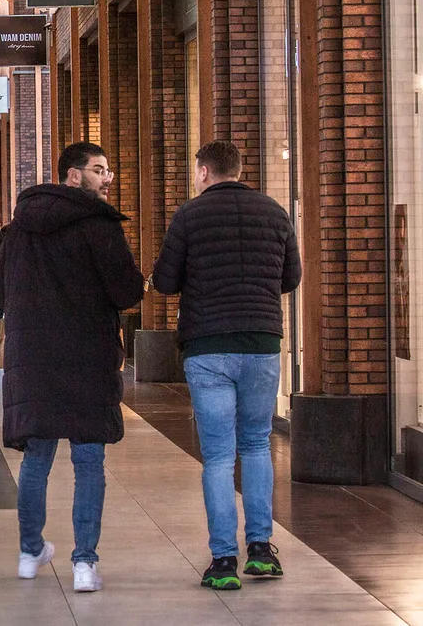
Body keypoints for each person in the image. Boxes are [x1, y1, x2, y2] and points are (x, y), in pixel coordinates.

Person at [0, 141, 146, 593]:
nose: (107, 178)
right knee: (88, 459)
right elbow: (126, 292)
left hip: (33, 359)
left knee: (36, 459)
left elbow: (1, 292)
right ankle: (84, 564)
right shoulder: (100, 227)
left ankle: (29, 552)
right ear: (74, 176)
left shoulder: (17, 230)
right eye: (99, 170)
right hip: (87, 356)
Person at [152, 140, 300, 590]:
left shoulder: (189, 216)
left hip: (208, 345)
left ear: (202, 171)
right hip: (261, 341)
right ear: (240, 169)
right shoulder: (275, 213)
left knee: (218, 456)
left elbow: (164, 280)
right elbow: (291, 278)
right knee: (256, 445)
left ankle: (222, 561)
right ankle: (261, 550)